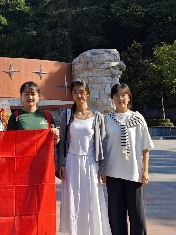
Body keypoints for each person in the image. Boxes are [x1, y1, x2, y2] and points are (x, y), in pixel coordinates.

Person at [56, 79, 111, 235]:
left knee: (91, 198)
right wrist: (61, 163)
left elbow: (103, 143)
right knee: (74, 198)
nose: (79, 95)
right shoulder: (67, 115)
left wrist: (103, 168)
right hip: (72, 162)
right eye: (75, 92)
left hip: (91, 162)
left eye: (82, 92)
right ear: (72, 95)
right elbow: (62, 142)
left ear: (87, 94)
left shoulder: (97, 117)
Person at [100, 83, 154, 235]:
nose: (120, 98)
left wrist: (145, 171)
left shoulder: (137, 118)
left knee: (137, 215)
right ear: (112, 98)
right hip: (113, 173)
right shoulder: (106, 119)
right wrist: (102, 169)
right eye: (116, 95)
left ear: (129, 97)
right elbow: (102, 146)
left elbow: (145, 146)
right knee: (116, 216)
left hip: (134, 173)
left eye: (123, 95)